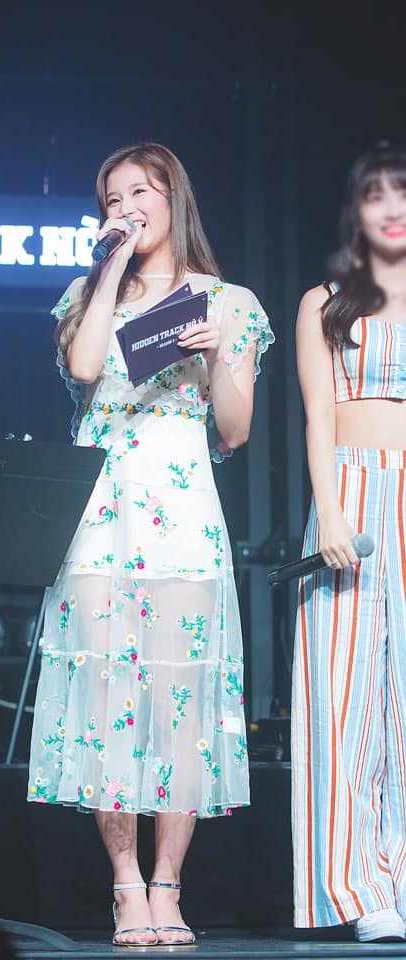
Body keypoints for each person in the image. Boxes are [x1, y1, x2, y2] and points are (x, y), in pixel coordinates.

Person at [28, 142, 273, 945]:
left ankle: (169, 884)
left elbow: (233, 431)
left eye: (144, 190)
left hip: (183, 508)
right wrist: (111, 268)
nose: (129, 203)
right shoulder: (87, 290)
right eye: (113, 195)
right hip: (101, 508)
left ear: (175, 197)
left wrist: (217, 360)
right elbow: (90, 363)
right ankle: (125, 886)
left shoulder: (229, 301)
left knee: (179, 704)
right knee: (107, 698)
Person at [292, 144, 406, 943]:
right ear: (355, 211)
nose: (393, 206)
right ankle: (357, 891)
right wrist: (329, 511)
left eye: (404, 191)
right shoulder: (326, 301)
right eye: (376, 194)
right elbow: (319, 417)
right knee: (345, 700)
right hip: (355, 496)